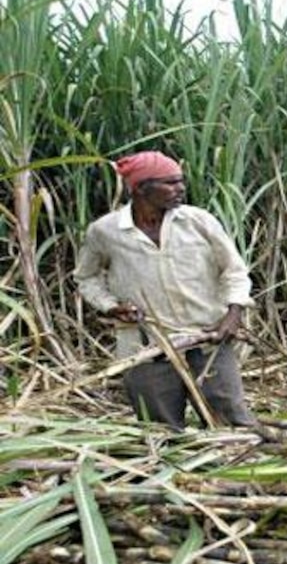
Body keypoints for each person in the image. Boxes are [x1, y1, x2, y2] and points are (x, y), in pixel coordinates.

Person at [75, 150, 256, 428]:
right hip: (147, 344)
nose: (180, 188)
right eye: (169, 183)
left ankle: (231, 468)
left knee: (232, 423)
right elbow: (86, 278)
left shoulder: (198, 222)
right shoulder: (106, 231)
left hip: (208, 338)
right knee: (161, 429)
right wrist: (111, 306)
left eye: (180, 181)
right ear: (140, 189)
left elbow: (235, 270)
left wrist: (233, 314)